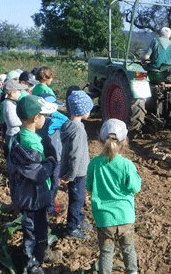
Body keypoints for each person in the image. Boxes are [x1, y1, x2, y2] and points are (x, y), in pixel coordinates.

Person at [6, 95, 58, 274]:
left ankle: (40, 254)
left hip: (31, 196)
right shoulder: (31, 146)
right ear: (36, 118)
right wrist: (52, 162)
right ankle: (31, 265)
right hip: (32, 198)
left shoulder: (20, 136)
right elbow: (38, 173)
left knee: (40, 228)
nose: (45, 118)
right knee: (32, 232)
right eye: (43, 115)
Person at [86, 119, 141, 274]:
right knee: (128, 249)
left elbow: (89, 186)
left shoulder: (94, 163)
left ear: (100, 139)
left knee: (106, 252)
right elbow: (135, 187)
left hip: (104, 219)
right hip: (125, 217)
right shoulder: (127, 164)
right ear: (124, 140)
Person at [61, 90, 94, 239]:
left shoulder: (69, 124)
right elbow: (75, 155)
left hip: (75, 171)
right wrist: (71, 175)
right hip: (77, 172)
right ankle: (72, 227)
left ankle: (79, 219)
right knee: (77, 199)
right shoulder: (78, 130)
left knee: (78, 197)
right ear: (83, 111)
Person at [36, 94, 69, 219]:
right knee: (54, 183)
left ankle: (46, 203)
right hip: (54, 158)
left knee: (45, 182)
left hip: (42, 157)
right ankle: (49, 208)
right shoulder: (54, 122)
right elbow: (67, 122)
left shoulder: (37, 120)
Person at [2, 80, 28, 144]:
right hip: (12, 135)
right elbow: (12, 122)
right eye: (18, 91)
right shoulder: (9, 105)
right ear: (11, 93)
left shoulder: (11, 102)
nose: (20, 93)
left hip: (14, 133)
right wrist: (24, 121)